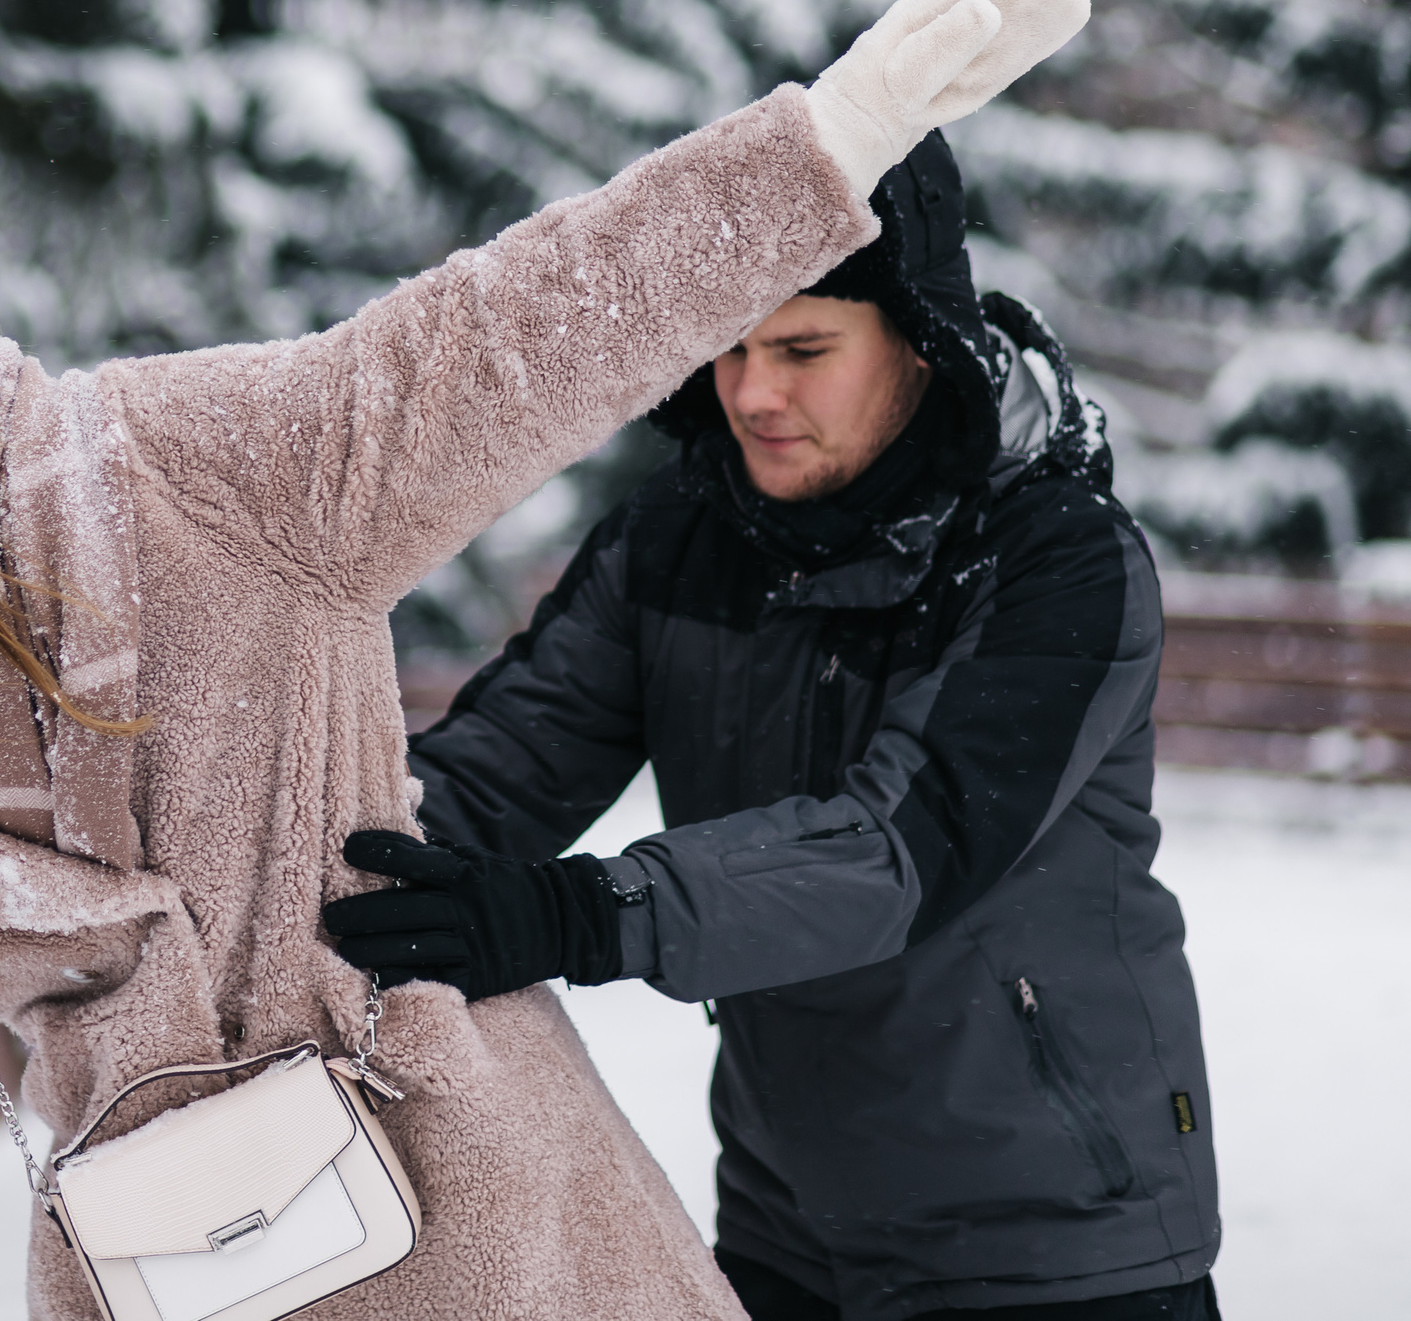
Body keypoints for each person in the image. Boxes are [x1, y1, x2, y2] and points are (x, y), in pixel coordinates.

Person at [0, 0, 1090, 1320]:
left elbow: (483, 346)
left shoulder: (180, 470)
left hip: (451, 1202)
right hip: (172, 1267)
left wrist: (810, 159)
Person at [323, 134, 1220, 1320]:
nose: (753, 393)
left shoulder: (1055, 557)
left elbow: (895, 850)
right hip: (789, 1227)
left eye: (803, 347)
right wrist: (305, 862)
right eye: (732, 346)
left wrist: (589, 913)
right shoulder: (682, 534)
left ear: (921, 343)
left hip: (1057, 1240)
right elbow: (505, 762)